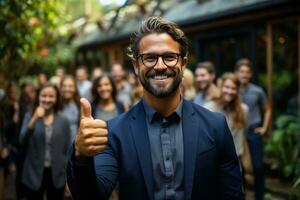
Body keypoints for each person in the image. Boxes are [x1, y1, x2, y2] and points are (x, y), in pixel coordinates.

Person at [67, 16, 244, 200]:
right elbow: (91, 195)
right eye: (149, 58)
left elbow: (232, 194)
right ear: (136, 65)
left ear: (183, 63)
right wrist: (81, 157)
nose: (160, 66)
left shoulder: (215, 125)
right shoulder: (114, 133)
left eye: (169, 57)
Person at [20, 83, 71, 200]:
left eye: (51, 96)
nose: (47, 99)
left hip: (57, 174)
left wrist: (68, 180)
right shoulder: (29, 116)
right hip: (34, 173)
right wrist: (34, 119)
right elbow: (22, 141)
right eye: (43, 96)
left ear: (56, 98)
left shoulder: (63, 120)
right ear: (38, 97)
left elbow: (67, 151)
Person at [235, 58, 271, 200]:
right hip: (238, 133)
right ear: (236, 73)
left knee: (258, 167)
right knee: (240, 168)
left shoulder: (257, 90)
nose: (244, 75)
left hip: (253, 132)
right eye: (241, 71)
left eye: (247, 72)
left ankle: (260, 196)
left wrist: (264, 127)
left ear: (250, 74)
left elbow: (267, 109)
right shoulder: (232, 89)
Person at [203, 73, 248, 166]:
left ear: (237, 90)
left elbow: (244, 134)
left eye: (233, 88)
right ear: (220, 87)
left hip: (235, 161)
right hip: (215, 160)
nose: (229, 91)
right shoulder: (208, 108)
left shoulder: (244, 110)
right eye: (226, 87)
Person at [60, 75, 81, 144]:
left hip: (75, 145)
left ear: (75, 88)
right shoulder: (57, 105)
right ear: (61, 87)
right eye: (64, 86)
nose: (67, 89)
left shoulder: (80, 105)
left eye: (70, 86)